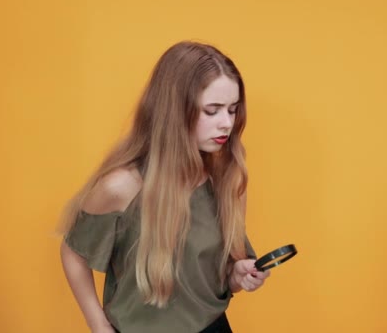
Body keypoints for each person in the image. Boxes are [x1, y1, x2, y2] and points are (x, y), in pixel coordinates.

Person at [58, 41, 270, 333]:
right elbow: (73, 252)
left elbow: (217, 280)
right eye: (212, 110)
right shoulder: (122, 187)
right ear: (174, 110)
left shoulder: (227, 180)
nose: (226, 124)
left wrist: (239, 276)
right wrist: (97, 324)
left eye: (233, 110)